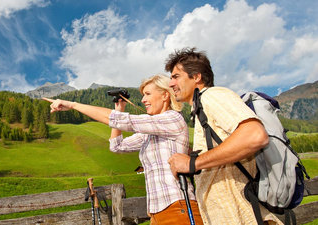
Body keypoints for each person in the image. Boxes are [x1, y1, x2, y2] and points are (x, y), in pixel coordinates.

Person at [44, 74, 203, 225]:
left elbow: (117, 120)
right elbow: (116, 146)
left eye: (147, 94)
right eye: (142, 95)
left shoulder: (172, 118)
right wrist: (119, 108)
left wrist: (73, 105)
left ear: (165, 95)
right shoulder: (149, 134)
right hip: (156, 212)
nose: (143, 99)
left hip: (178, 206)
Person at [165, 47, 282, 225]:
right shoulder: (199, 109)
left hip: (242, 217)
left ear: (196, 77)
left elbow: (255, 135)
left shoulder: (212, 95)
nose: (171, 83)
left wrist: (193, 163)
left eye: (176, 76)